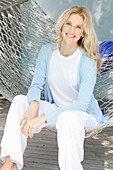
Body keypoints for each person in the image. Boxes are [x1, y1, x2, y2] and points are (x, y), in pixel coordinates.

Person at [0, 5, 108, 170]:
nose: (72, 30)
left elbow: (81, 105)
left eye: (78, 27)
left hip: (82, 116)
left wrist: (42, 117)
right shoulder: (47, 52)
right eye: (69, 24)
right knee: (20, 101)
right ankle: (10, 163)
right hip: (56, 111)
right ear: (62, 25)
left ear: (83, 33)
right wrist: (34, 103)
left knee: (68, 118)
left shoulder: (87, 61)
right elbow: (36, 84)